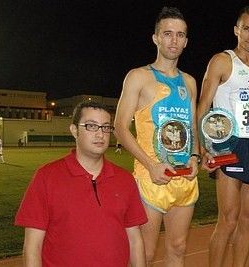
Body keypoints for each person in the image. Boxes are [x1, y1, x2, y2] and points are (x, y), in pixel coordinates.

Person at [114, 7, 200, 266]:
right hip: (150, 179)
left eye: (180, 35)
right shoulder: (138, 77)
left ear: (186, 41)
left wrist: (195, 155)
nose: (174, 40)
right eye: (168, 33)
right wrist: (151, 165)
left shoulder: (190, 82)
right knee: (144, 254)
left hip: (184, 178)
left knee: (178, 248)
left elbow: (192, 127)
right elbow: (120, 126)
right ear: (156, 38)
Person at [15, 101, 147, 266]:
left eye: (106, 127)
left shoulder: (125, 179)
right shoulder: (46, 177)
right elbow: (32, 247)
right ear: (74, 130)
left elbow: (135, 240)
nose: (100, 134)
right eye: (91, 126)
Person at [196, 4, 249, 267]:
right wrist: (203, 147)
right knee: (228, 219)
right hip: (228, 145)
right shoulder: (222, 60)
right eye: (247, 29)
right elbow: (203, 105)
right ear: (237, 30)